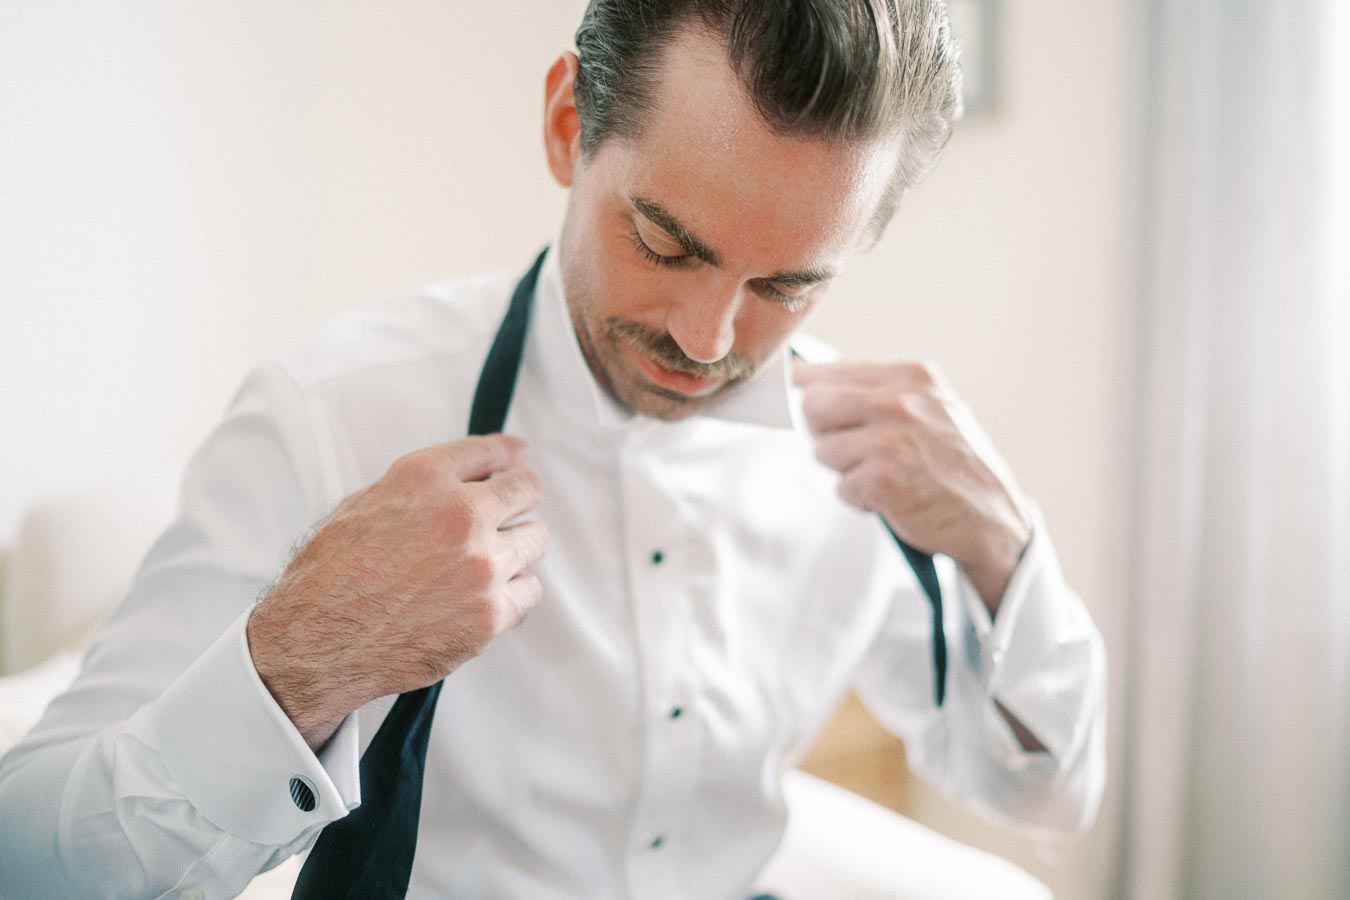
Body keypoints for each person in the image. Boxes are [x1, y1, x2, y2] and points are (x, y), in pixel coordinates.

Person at [0, 1, 1106, 897]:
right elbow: (31, 858)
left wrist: (1008, 550)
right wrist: (309, 656)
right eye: (665, 242)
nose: (708, 338)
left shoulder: (866, 461)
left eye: (788, 286)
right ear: (570, 123)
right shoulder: (331, 413)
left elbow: (1044, 799)